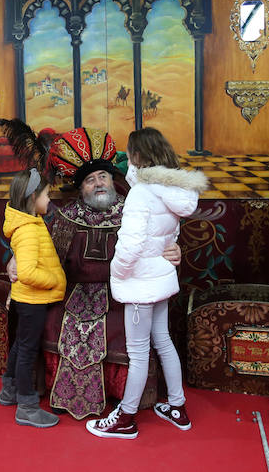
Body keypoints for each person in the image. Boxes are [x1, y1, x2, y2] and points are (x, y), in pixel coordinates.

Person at [3, 125, 181, 420]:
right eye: (89, 180)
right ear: (80, 187)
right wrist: (13, 260)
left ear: (113, 180)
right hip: (71, 291)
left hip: (121, 290)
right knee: (51, 322)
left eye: (103, 177)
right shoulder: (64, 217)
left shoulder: (135, 210)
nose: (98, 184)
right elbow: (38, 250)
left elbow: (161, 241)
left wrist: (174, 251)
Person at [86, 128, 208, 439]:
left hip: (140, 281)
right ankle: (177, 407)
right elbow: (171, 234)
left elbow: (131, 243)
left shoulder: (142, 193)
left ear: (138, 156)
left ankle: (125, 417)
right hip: (161, 277)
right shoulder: (173, 190)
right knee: (163, 341)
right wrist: (169, 250)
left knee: (138, 352)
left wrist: (119, 271)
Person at [0, 168, 66, 428]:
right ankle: (26, 406)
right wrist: (55, 280)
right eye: (47, 195)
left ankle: (9, 390)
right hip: (32, 300)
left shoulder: (31, 224)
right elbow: (26, 272)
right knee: (27, 350)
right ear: (33, 197)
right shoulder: (28, 230)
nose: (50, 200)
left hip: (25, 298)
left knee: (20, 345)